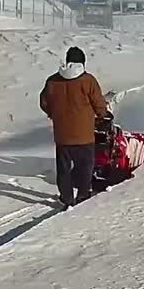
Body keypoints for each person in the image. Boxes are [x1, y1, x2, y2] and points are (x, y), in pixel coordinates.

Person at [40, 46, 109, 207]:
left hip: (62, 135)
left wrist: (53, 113)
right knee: (85, 166)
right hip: (84, 135)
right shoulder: (88, 80)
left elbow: (44, 103)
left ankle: (66, 198)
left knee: (64, 169)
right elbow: (99, 104)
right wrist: (103, 114)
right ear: (82, 63)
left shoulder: (52, 81)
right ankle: (83, 195)